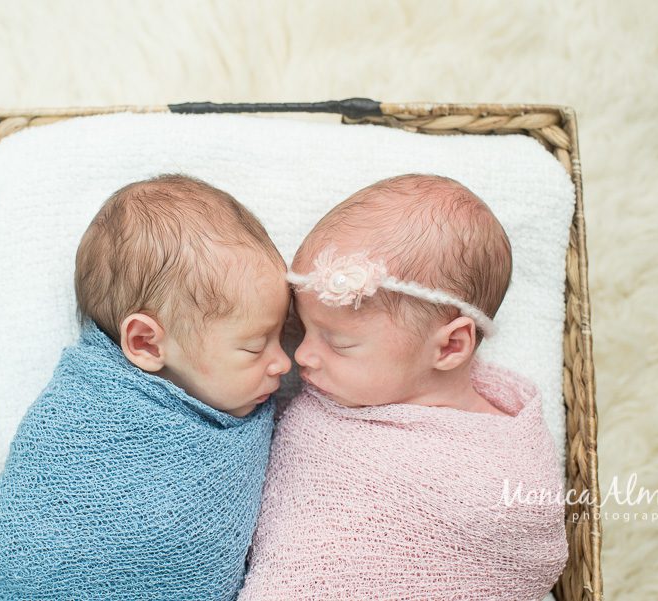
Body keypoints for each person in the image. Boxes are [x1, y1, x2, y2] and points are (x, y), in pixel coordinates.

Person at [239, 174, 568, 601]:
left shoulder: (507, 459)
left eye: (339, 342)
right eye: (301, 330)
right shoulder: (327, 412)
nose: (302, 357)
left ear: (450, 346)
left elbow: (526, 550)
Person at [0, 174, 291, 600]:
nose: (284, 363)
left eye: (281, 337)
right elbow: (34, 538)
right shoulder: (80, 415)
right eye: (254, 347)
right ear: (145, 342)